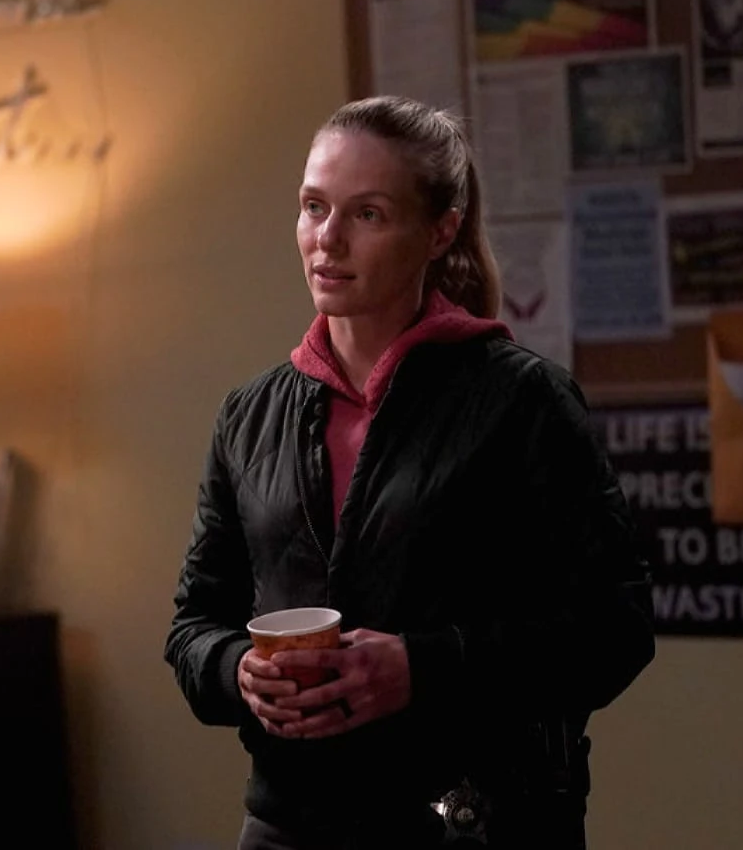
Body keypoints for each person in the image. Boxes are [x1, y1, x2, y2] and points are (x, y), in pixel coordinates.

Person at [164, 95, 655, 849]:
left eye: (367, 214)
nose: (327, 238)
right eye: (313, 207)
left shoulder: (522, 400)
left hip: (472, 819)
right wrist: (236, 671)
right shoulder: (249, 414)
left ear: (440, 231)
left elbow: (614, 629)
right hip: (290, 822)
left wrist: (421, 668)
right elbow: (194, 624)